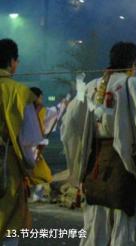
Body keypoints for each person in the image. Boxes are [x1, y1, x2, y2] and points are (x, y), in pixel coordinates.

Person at [61, 41, 136, 246]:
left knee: (97, 226)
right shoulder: (132, 85)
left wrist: (79, 157)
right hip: (126, 169)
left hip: (95, 166)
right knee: (127, 223)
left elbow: (69, 125)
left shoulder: (91, 87)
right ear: (133, 64)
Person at [0, 39, 44, 246]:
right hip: (7, 169)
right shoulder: (19, 92)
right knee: (9, 226)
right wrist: (30, 168)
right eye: (17, 61)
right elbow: (29, 142)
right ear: (11, 61)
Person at [28, 87, 69, 201]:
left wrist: (61, 105)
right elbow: (53, 113)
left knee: (39, 171)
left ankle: (37, 194)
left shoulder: (31, 109)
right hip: (30, 145)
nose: (42, 99)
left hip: (31, 145)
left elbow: (52, 113)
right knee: (39, 171)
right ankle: (36, 194)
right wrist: (62, 105)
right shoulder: (33, 110)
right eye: (41, 97)